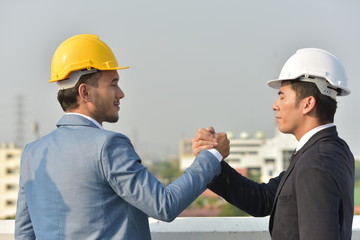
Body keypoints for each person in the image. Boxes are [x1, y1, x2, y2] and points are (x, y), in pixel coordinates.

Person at [15, 34, 230, 240]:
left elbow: (24, 234)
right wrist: (211, 156)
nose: (121, 93)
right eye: (113, 83)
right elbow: (164, 205)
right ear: (85, 92)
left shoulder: (32, 152)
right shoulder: (108, 145)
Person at [192, 48, 354, 239]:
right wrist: (213, 160)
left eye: (282, 96)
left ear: (307, 104)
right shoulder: (325, 151)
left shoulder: (316, 162)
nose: (275, 105)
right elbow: (263, 200)